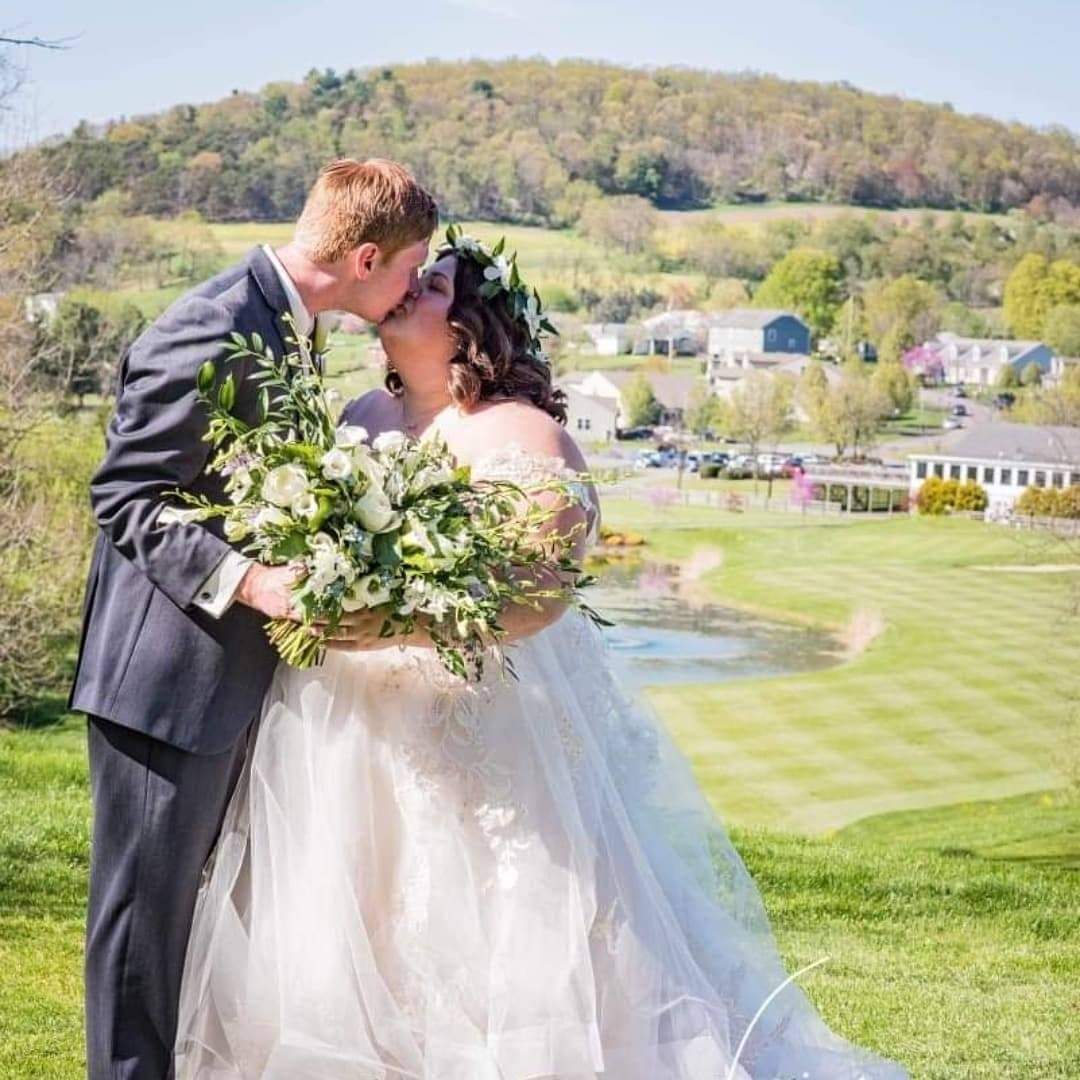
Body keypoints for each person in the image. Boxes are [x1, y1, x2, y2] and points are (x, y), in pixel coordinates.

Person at [173, 229, 909, 1079]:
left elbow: (538, 597)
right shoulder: (358, 420)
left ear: (473, 326)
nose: (411, 289)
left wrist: (389, 626)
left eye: (434, 285)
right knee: (345, 917)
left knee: (487, 918)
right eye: (414, 276)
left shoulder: (524, 437)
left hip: (484, 727)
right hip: (348, 726)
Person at [69, 158, 438, 1080]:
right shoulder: (214, 323)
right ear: (364, 258)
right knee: (142, 929)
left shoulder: (288, 325)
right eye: (409, 269)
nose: (412, 290)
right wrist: (251, 581)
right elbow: (126, 495)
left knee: (191, 922)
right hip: (162, 683)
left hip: (224, 680)